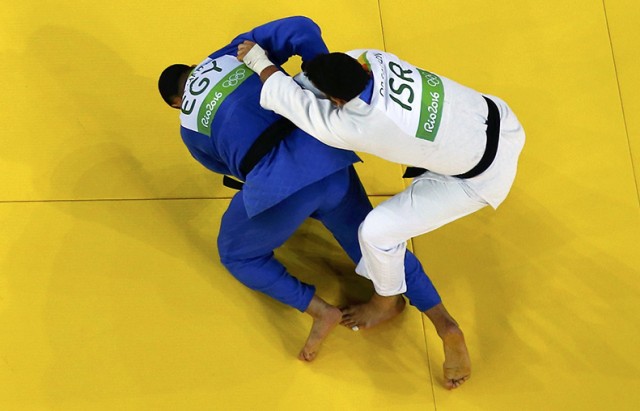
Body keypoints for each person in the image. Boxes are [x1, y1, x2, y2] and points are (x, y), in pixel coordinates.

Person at [158, 17, 470, 387]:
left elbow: (226, 169)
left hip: (279, 189)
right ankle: (443, 322)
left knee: (235, 253)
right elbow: (301, 27)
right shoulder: (230, 53)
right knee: (379, 246)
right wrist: (320, 79)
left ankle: (319, 310)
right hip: (324, 154)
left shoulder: (188, 128)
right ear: (194, 67)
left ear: (177, 102)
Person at [238, 21, 525, 388]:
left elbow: (292, 101)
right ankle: (410, 304)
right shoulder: (371, 57)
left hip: (479, 177)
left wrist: (259, 59)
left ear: (340, 103)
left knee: (376, 232)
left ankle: (404, 310)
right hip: (495, 119)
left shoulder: (363, 126)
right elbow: (316, 79)